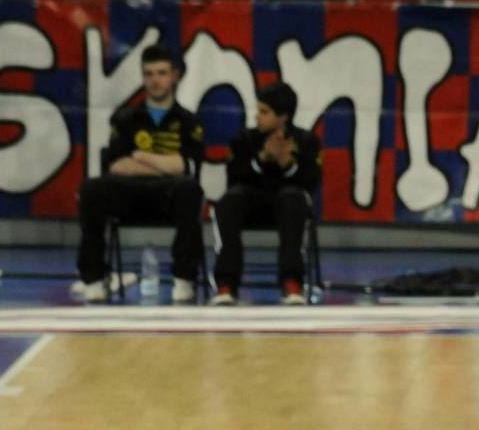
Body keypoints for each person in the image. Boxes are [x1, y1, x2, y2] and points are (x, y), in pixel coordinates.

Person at [76, 44, 205, 304]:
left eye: (161, 73)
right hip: (129, 196)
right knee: (91, 188)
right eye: (149, 74)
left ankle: (183, 280)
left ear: (174, 76)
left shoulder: (190, 121)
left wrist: (140, 156)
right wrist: (165, 165)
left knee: (189, 189)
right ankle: (94, 278)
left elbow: (188, 167)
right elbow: (115, 165)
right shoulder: (125, 118)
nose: (155, 80)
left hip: (169, 198)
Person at [210, 81, 322, 306]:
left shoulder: (306, 141)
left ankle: (292, 283)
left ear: (283, 117)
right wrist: (262, 159)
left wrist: (286, 163)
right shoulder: (243, 139)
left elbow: (310, 182)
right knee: (229, 200)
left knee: (293, 197)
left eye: (264, 112)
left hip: (288, 208)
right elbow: (234, 177)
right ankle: (226, 285)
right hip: (252, 206)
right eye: (257, 111)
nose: (256, 117)